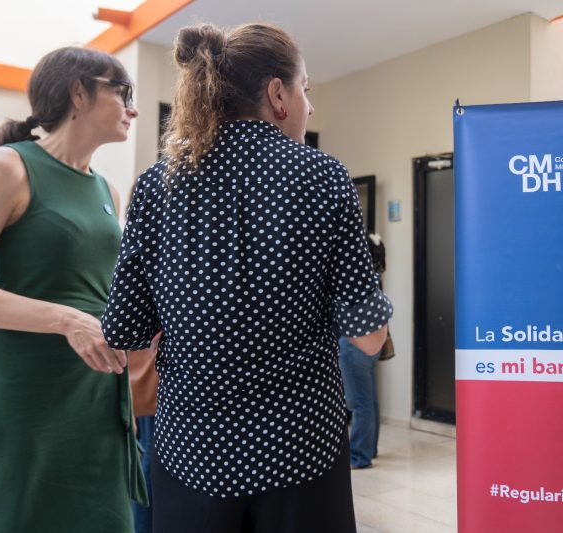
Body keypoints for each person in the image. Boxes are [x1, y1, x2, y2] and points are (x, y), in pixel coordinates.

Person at [101, 22, 393, 533]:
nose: (309, 107)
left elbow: (124, 331)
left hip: (194, 452)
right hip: (301, 450)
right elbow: (370, 338)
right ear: (278, 94)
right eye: (305, 90)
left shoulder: (155, 186)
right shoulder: (323, 176)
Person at [0, 46, 146, 532]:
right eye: (123, 92)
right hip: (27, 389)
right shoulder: (7, 167)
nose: (132, 109)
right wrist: (65, 319)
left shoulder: (107, 191)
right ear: (78, 93)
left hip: (96, 389)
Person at [339, 233, 387, 469]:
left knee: (359, 403)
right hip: (369, 345)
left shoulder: (355, 278)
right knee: (369, 400)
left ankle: (359, 456)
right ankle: (370, 449)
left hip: (353, 344)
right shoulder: (374, 277)